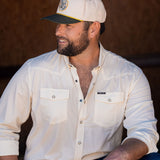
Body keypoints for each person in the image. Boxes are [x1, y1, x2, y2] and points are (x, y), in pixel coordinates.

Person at [0, 0, 159, 160]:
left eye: (68, 25)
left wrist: (123, 153)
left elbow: (144, 131)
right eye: (58, 24)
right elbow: (3, 127)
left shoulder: (129, 75)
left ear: (93, 29)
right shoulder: (33, 70)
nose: (58, 32)